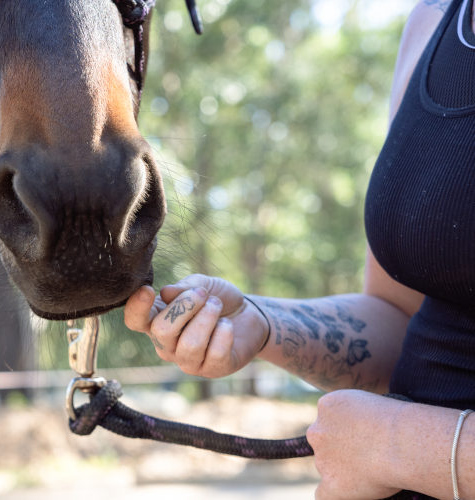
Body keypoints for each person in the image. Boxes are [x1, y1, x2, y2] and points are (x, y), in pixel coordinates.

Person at [124, 0, 475, 498]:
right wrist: (259, 324)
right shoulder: (434, 24)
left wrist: (412, 448)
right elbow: (400, 319)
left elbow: (407, 445)